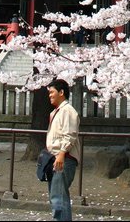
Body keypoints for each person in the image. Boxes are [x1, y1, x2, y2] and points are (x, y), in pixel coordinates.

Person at [45, 79, 81, 221]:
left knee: (58, 198)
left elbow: (70, 135)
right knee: (57, 197)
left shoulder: (67, 111)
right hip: (57, 158)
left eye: (52, 92)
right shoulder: (57, 112)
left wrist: (61, 154)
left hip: (63, 159)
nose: (50, 95)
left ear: (61, 92)